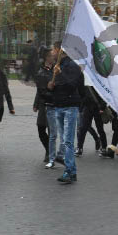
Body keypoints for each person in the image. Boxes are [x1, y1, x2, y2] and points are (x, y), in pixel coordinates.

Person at [46, 46, 83, 184]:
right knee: (64, 140)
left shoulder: (71, 65)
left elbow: (73, 85)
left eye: (53, 50)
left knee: (67, 141)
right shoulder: (57, 66)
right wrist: (50, 86)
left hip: (69, 107)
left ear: (61, 51)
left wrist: (60, 74)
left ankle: (68, 171)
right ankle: (72, 171)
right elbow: (54, 87)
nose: (51, 53)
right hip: (59, 106)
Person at [33, 48, 55, 164]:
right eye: (51, 56)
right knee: (41, 129)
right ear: (46, 57)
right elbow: (39, 90)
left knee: (52, 130)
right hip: (43, 103)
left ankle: (50, 153)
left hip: (53, 103)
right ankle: (48, 148)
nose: (53, 57)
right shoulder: (41, 71)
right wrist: (36, 103)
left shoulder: (57, 70)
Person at [77, 85, 108, 156]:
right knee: (83, 128)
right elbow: (81, 94)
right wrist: (81, 106)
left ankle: (103, 147)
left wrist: (102, 107)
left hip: (97, 108)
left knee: (99, 129)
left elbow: (104, 94)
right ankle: (79, 148)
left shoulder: (97, 80)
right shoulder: (86, 82)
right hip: (87, 107)